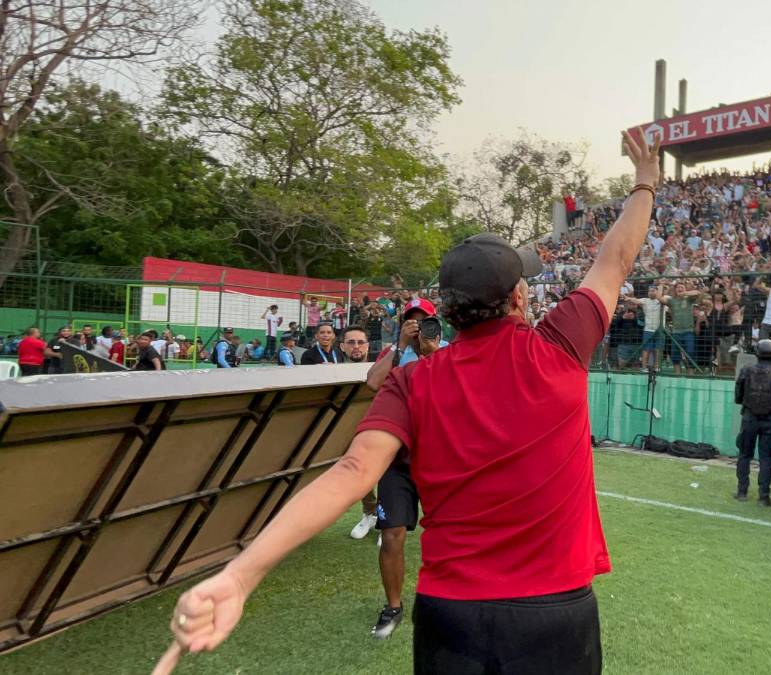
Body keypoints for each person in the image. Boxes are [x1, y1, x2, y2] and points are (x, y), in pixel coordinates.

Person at [161, 128, 659, 674]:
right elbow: (616, 256)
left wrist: (241, 574)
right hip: (555, 612)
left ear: (447, 312)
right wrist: (644, 183)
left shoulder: (412, 381)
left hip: (451, 615)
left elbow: (352, 472)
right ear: (519, 298)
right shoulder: (561, 343)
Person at [363, 327, 443, 639]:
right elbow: (372, 383)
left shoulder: (449, 351)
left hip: (440, 459)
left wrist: (433, 353)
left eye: (424, 320)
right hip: (397, 460)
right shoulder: (393, 355)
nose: (418, 327)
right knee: (392, 534)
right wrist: (399, 346)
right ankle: (393, 606)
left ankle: (449, 600)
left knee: (451, 534)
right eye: (411, 320)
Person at [733, 339, 771, 506]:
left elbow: (738, 397)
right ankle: (763, 496)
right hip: (770, 420)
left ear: (756, 353)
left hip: (749, 418)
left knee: (744, 455)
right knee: (766, 459)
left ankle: (742, 491)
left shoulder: (745, 371)